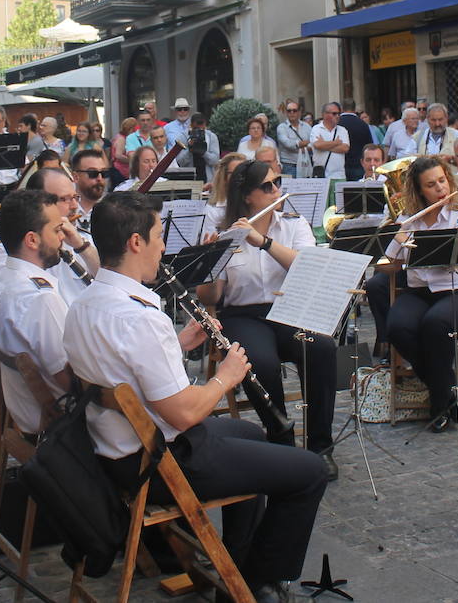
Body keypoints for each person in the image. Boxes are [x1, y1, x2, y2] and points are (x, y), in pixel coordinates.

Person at [63, 192, 327, 601]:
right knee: (309, 472)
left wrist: (179, 345)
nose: (163, 246)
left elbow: (123, 366)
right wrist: (226, 377)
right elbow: (185, 413)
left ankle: (237, 567)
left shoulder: (84, 304)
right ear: (135, 243)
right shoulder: (139, 316)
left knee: (252, 436)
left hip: (112, 454)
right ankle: (260, 582)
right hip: (159, 462)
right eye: (157, 236)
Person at [199, 160, 338, 477]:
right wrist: (211, 262)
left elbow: (308, 267)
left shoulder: (293, 223)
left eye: (277, 183)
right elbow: (211, 298)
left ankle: (321, 446)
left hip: (289, 307)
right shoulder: (224, 230)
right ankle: (281, 440)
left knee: (322, 348)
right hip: (243, 313)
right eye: (268, 186)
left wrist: (262, 242)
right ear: (248, 196)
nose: (277, 190)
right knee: (261, 363)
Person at [368, 157, 458, 433]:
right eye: (431, 185)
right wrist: (398, 240)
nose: (440, 190)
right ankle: (446, 388)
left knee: (436, 324)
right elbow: (387, 268)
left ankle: (439, 405)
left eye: (442, 181)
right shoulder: (408, 220)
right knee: (397, 329)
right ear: (420, 191)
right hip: (420, 291)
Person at [0, 190, 74, 433]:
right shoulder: (41, 299)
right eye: (56, 230)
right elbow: (68, 379)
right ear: (32, 240)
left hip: (25, 413)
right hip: (58, 421)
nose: (62, 239)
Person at [204, 153, 246, 231]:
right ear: (224, 177)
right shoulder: (212, 211)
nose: (241, 177)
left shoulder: (255, 203)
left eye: (244, 173)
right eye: (235, 173)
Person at [308, 103, 349, 180]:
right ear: (324, 114)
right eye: (334, 113)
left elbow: (345, 148)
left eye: (338, 113)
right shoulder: (316, 129)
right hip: (321, 175)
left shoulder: (342, 130)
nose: (337, 116)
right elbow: (317, 145)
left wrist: (324, 145)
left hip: (339, 175)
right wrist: (336, 143)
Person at [175, 112, 221, 181]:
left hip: (208, 179)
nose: (199, 132)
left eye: (202, 130)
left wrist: (203, 152)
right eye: (196, 129)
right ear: (191, 125)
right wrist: (190, 150)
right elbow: (180, 162)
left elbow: (215, 161)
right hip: (189, 179)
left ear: (205, 125)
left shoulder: (211, 137)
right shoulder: (183, 137)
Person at [71, 149, 108, 228]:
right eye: (93, 173)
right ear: (76, 177)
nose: (100, 178)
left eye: (104, 173)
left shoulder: (111, 210)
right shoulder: (63, 209)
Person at [336, 100, 372, 181]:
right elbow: (369, 145)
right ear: (354, 108)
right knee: (356, 190)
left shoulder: (337, 124)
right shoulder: (363, 125)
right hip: (358, 164)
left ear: (341, 108)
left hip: (340, 165)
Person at [276, 100, 312, 178]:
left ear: (299, 112)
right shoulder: (282, 127)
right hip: (289, 166)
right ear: (286, 112)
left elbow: (313, 143)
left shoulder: (307, 126)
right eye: (289, 111)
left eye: (294, 110)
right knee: (290, 190)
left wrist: (300, 145)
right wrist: (304, 144)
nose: (292, 113)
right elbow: (288, 144)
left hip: (305, 165)